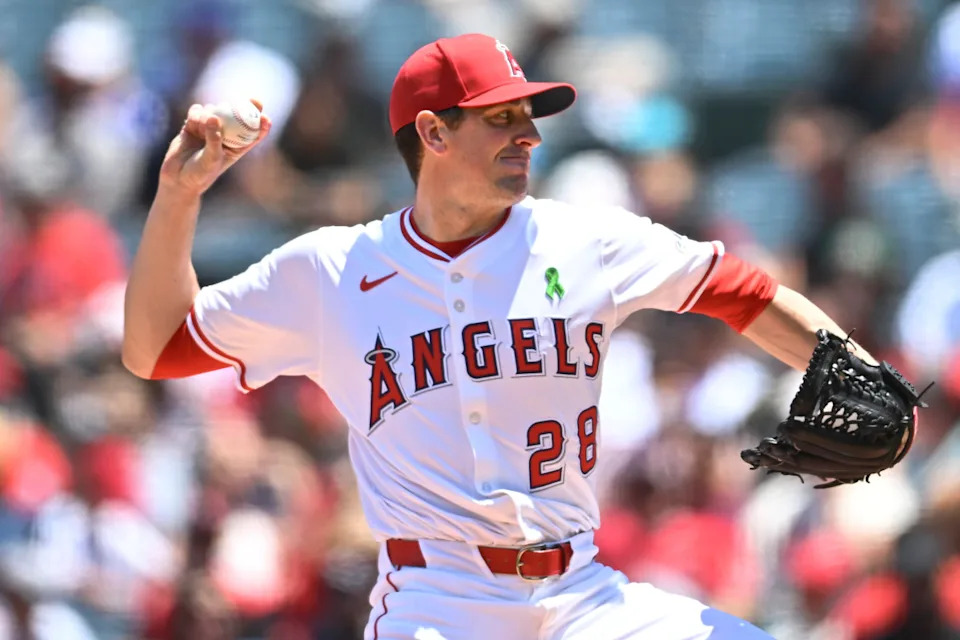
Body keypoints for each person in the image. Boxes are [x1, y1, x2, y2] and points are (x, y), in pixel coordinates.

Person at [123, 33, 874, 639]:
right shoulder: (333, 271)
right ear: (432, 132)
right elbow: (155, 349)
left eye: (529, 116)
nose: (530, 136)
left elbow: (744, 293)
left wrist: (856, 372)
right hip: (437, 602)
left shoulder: (584, 241)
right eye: (502, 117)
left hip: (584, 594)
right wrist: (179, 196)